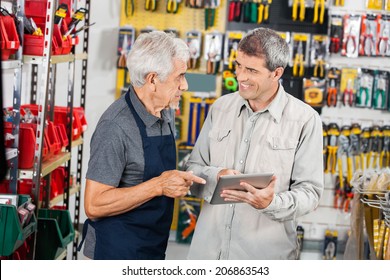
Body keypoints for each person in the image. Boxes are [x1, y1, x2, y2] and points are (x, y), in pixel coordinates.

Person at [185, 27, 324, 259]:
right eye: (238, 66)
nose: (240, 76)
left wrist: (271, 203)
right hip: (208, 254)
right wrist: (216, 176)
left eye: (251, 70)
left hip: (264, 258)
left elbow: (310, 193)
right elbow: (193, 169)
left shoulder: (305, 120)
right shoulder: (220, 108)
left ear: (276, 73)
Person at [79, 31, 206, 260]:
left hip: (152, 248)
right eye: (180, 76)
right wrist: (158, 186)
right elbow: (94, 204)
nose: (185, 85)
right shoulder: (115, 127)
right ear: (153, 80)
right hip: (115, 252)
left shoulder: (164, 113)